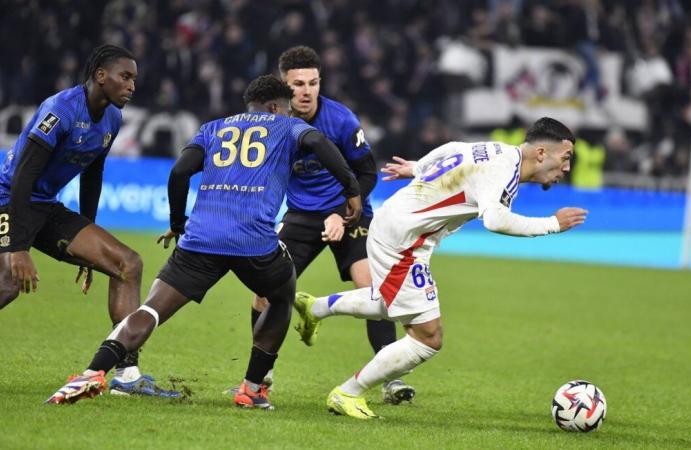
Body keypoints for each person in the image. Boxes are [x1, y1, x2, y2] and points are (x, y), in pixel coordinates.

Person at [46, 74, 363, 408]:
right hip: (253, 239)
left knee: (151, 309)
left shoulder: (213, 128)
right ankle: (253, 388)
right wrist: (351, 190)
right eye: (287, 111)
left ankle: (92, 371)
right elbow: (320, 144)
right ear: (274, 107)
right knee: (282, 296)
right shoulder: (286, 126)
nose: (290, 117)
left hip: (201, 238)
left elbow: (180, 172)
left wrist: (177, 222)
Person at [293, 117, 589, 419]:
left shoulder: (498, 151)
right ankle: (347, 393)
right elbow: (495, 219)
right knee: (428, 337)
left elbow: (453, 148)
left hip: (399, 228)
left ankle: (314, 307)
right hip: (403, 241)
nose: (566, 168)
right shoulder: (503, 170)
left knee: (390, 301)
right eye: (565, 158)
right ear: (541, 153)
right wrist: (552, 224)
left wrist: (419, 168)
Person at [0, 44, 177, 398]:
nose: (132, 86)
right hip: (8, 199)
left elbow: (92, 175)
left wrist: (89, 244)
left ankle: (127, 374)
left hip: (46, 206)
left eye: (134, 79)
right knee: (8, 284)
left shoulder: (112, 117)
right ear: (101, 76)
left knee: (127, 264)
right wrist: (17, 247)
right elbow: (22, 176)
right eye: (125, 77)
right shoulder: (60, 109)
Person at [246, 45, 415, 404]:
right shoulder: (273, 122)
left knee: (373, 287)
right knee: (264, 290)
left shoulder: (341, 120)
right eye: (297, 84)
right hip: (301, 216)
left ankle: (389, 379)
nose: (306, 91)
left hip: (351, 211)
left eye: (313, 83)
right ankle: (261, 376)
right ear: (283, 85)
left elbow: (367, 173)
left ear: (320, 83)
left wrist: (342, 211)